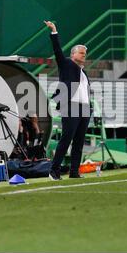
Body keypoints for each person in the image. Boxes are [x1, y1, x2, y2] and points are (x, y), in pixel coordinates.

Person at [44, 20, 91, 180]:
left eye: (85, 54)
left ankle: (74, 172)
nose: (84, 55)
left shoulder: (83, 72)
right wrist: (54, 31)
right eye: (81, 53)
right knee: (66, 139)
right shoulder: (66, 64)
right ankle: (54, 170)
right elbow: (57, 50)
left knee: (79, 142)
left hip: (84, 108)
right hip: (71, 106)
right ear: (73, 55)